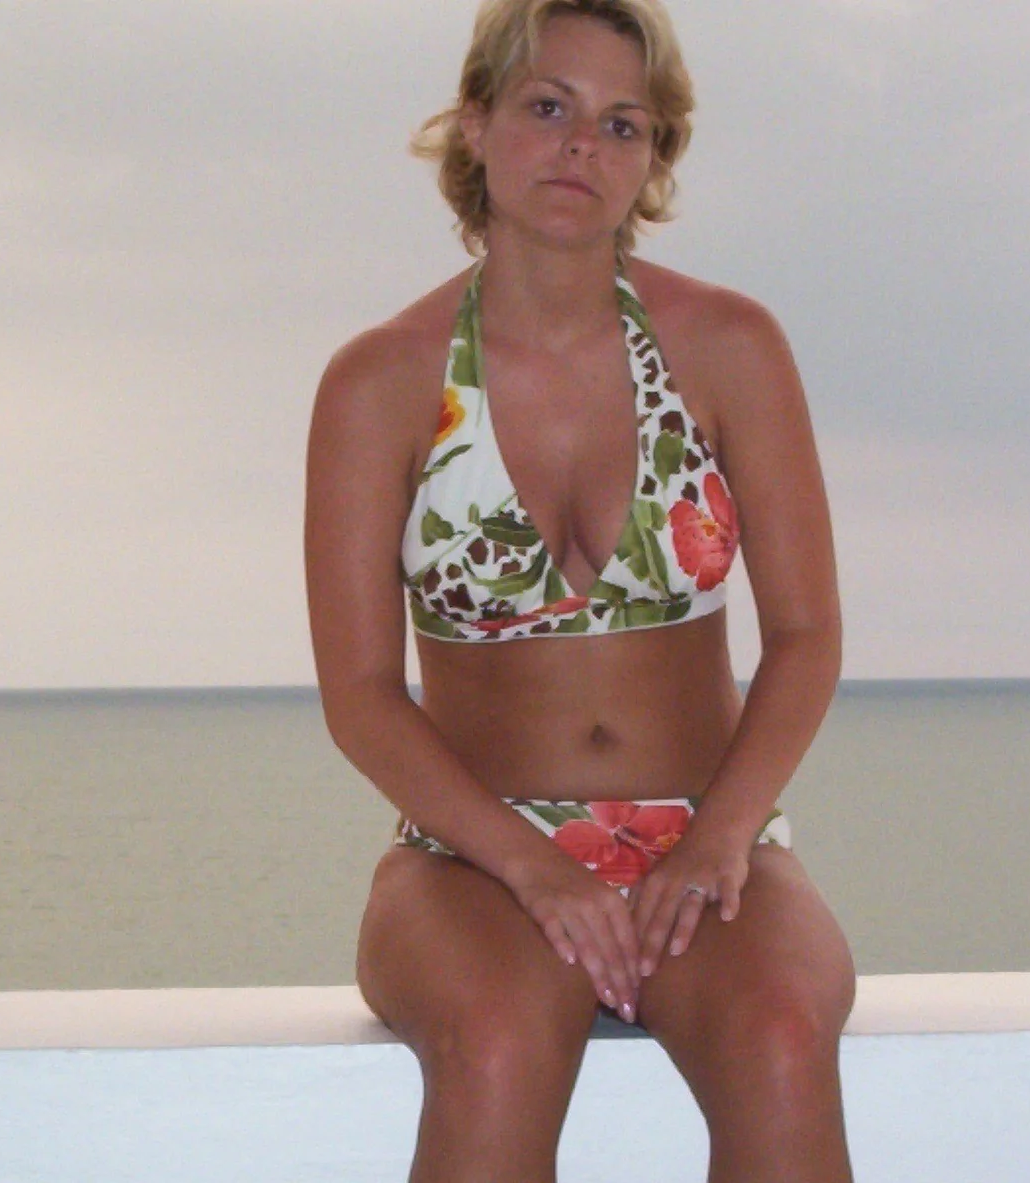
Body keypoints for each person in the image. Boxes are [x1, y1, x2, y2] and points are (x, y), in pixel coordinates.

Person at [304, 1, 854, 1179]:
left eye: (622, 125)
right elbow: (360, 696)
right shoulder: (380, 382)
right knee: (498, 1044)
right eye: (548, 107)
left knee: (782, 1035)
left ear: (654, 156)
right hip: (470, 859)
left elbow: (807, 635)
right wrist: (533, 865)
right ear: (476, 125)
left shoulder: (731, 347)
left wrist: (719, 841)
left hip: (703, 836)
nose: (580, 147)